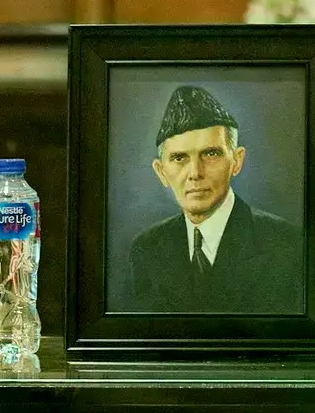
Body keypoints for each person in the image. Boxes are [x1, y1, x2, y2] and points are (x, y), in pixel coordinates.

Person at [122, 85, 302, 315]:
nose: (195, 172)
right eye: (179, 158)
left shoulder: (285, 244)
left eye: (211, 154)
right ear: (161, 172)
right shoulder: (146, 249)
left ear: (236, 161)